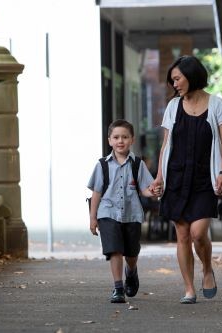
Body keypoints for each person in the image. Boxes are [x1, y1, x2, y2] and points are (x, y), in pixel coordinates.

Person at [150, 55, 222, 304]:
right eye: (172, 80)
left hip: (204, 178)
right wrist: (159, 177)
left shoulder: (217, 105)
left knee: (198, 233)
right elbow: (166, 145)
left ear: (191, 75)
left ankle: (207, 268)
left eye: (177, 79)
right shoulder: (173, 107)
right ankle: (189, 288)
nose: (174, 84)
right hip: (176, 177)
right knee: (183, 235)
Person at [87, 119, 160, 303]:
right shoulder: (102, 165)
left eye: (125, 137)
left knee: (131, 252)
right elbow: (96, 193)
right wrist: (93, 218)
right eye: (116, 137)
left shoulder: (137, 164)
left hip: (132, 213)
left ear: (132, 140)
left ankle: (132, 271)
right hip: (107, 213)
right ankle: (118, 288)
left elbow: (144, 189)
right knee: (115, 250)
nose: (120, 141)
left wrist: (152, 192)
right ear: (110, 140)